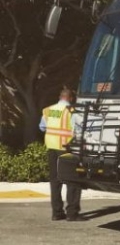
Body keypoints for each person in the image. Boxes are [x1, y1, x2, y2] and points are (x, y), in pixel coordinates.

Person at [40, 87, 83, 221]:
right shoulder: (72, 111)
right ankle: (72, 213)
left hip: (51, 147)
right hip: (66, 148)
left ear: (60, 97)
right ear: (70, 98)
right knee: (73, 180)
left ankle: (56, 213)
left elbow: (42, 127)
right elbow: (81, 130)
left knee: (55, 180)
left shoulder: (49, 110)